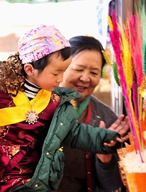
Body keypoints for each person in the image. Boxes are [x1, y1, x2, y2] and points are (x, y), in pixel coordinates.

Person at [0, 25, 128, 191]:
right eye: (57, 73)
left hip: (32, 184)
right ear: (30, 69)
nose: (60, 79)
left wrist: (106, 140)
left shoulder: (57, 103)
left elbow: (76, 133)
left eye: (94, 72)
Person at [56, 35, 129, 192]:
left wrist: (105, 159)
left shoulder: (106, 119)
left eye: (94, 72)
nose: (85, 78)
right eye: (78, 69)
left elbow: (113, 187)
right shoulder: (35, 107)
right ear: (62, 67)